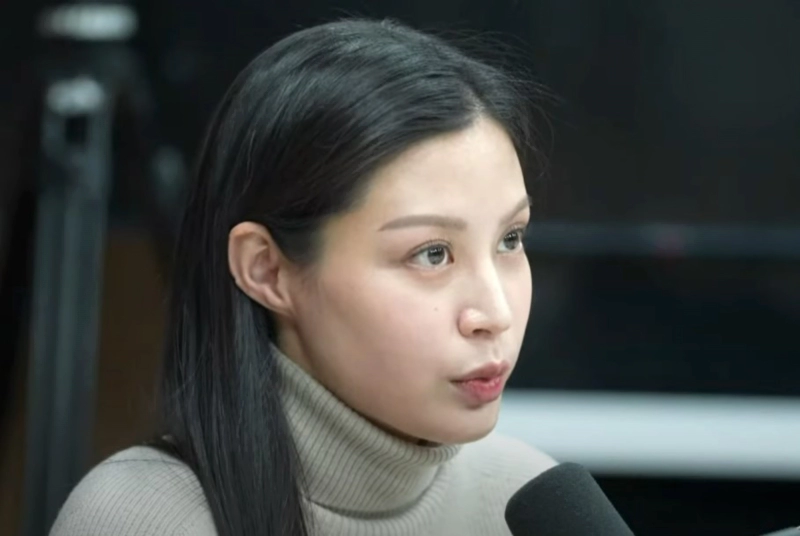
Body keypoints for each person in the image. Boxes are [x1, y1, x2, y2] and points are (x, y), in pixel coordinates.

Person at [50, 17, 556, 536]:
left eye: (510, 239)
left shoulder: (531, 503)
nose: (495, 314)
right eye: (432, 254)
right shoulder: (142, 519)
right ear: (266, 270)